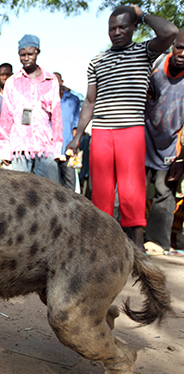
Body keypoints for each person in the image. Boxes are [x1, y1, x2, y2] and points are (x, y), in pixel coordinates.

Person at [67, 6, 178, 251]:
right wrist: (77, 136)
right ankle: (101, 247)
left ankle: (137, 246)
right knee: (101, 191)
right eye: (112, 28)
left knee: (132, 189)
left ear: (134, 27)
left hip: (131, 131)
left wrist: (143, 14)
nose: (117, 32)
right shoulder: (97, 61)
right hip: (102, 133)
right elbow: (89, 101)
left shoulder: (145, 51)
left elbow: (170, 32)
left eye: (123, 27)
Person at [0, 35, 62, 183]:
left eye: (30, 54)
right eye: (22, 55)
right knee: (19, 192)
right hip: (20, 147)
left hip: (45, 147)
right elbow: (6, 118)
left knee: (50, 191)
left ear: (37, 52)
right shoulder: (12, 82)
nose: (26, 58)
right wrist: (5, 149)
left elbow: (57, 117)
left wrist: (57, 149)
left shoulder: (51, 80)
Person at [144, 29, 184, 255]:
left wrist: (182, 159)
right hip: (142, 137)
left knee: (164, 190)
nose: (182, 53)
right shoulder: (156, 64)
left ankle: (158, 242)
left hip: (171, 144)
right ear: (172, 45)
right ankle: (126, 236)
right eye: (180, 46)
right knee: (133, 189)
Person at [53, 72, 80, 191]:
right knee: (53, 186)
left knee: (70, 186)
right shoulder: (43, 100)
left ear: (61, 82)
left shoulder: (73, 100)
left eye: (56, 81)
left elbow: (75, 126)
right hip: (51, 152)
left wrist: (75, 145)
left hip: (68, 148)